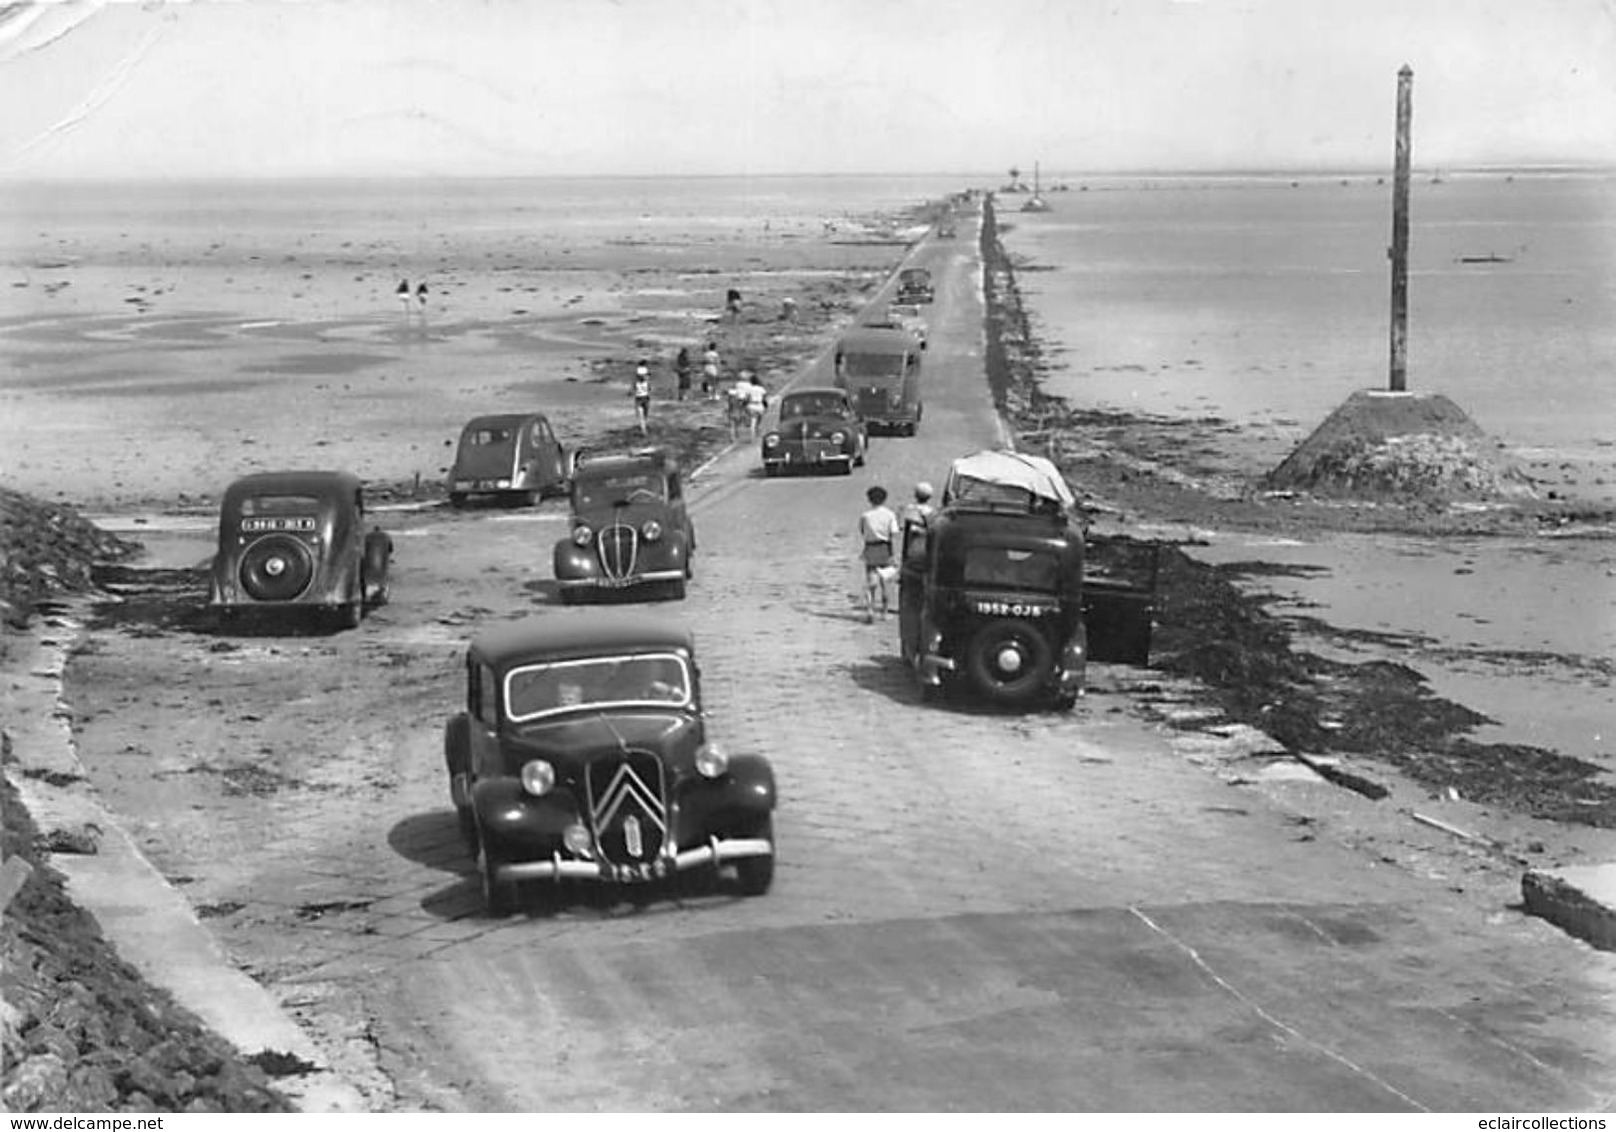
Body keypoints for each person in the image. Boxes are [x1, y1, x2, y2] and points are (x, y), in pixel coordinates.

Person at [857, 485, 901, 623]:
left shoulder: (866, 516)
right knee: (885, 582)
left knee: (871, 581)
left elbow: (862, 532)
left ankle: (870, 609)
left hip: (870, 548)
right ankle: (884, 611)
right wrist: (894, 554)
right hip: (885, 548)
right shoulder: (889, 515)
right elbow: (893, 534)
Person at [743, 371, 768, 438]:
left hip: (751, 406)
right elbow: (764, 398)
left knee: (747, 412)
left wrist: (745, 404)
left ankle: (748, 422)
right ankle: (758, 426)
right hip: (759, 406)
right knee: (761, 415)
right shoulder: (761, 389)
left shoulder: (749, 389)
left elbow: (746, 398)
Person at [631, 360, 652, 435]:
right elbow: (649, 388)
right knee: (643, 414)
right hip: (643, 397)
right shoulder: (645, 382)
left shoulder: (638, 382)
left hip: (641, 398)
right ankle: (643, 428)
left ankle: (643, 427)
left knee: (643, 414)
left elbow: (633, 389)